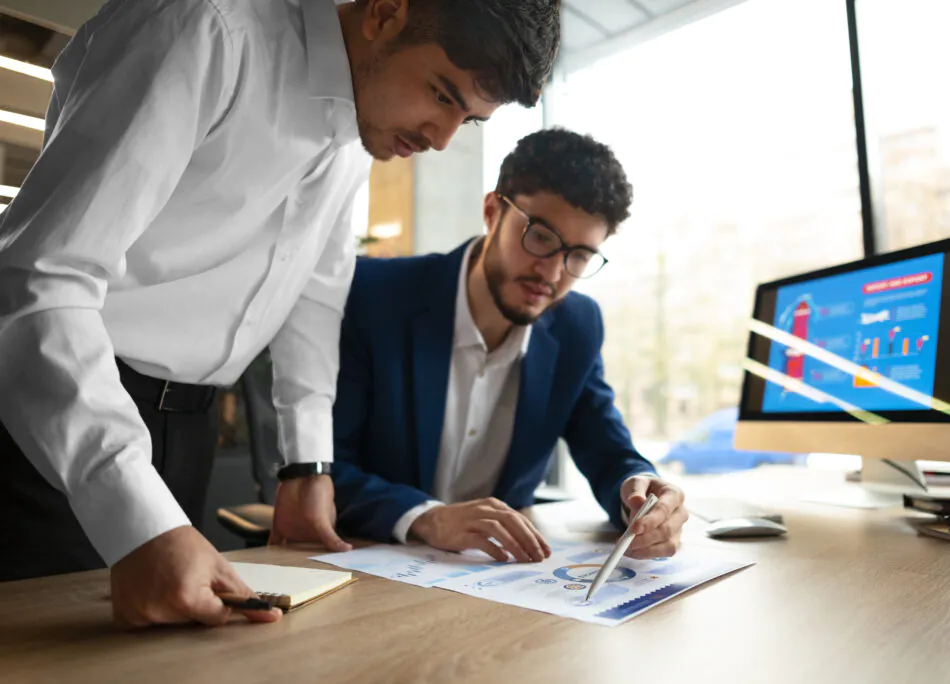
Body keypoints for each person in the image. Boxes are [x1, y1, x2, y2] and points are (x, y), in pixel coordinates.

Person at [0, 0, 560, 628]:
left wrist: (307, 465)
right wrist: (136, 514)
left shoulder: (361, 129)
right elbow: (43, 277)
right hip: (57, 420)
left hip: (189, 428)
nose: (440, 137)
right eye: (441, 94)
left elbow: (311, 297)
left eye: (469, 120)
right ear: (385, 12)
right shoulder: (205, 29)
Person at [331, 128, 688, 563]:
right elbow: (325, 468)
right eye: (540, 237)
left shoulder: (577, 326)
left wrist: (643, 494)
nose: (554, 274)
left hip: (498, 582)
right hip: (371, 564)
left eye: (579, 256)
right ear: (491, 212)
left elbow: (608, 452)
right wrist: (427, 517)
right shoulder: (376, 297)